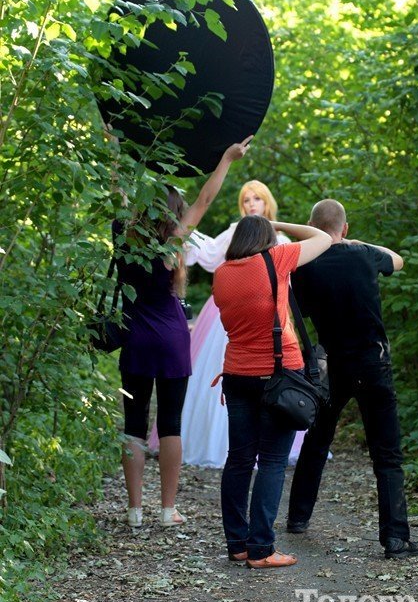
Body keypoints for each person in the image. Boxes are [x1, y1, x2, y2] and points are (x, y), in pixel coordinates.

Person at [114, 138, 251, 528]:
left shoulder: (123, 232)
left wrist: (115, 144)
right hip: (173, 338)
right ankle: (167, 510)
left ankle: (135, 510)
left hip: (135, 336)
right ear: (175, 213)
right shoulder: (175, 241)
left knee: (134, 422)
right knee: (170, 421)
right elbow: (205, 199)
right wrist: (225, 158)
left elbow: (119, 191)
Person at [286, 199, 418, 560]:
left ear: (311, 226)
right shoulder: (365, 255)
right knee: (387, 453)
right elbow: (397, 259)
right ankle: (395, 539)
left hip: (331, 366)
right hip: (372, 363)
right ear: (345, 229)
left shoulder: (303, 267)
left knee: (317, 440)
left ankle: (297, 519)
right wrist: (352, 243)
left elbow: (294, 310)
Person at [146, 180, 303, 467]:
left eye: (257, 199)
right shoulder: (234, 233)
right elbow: (206, 252)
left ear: (268, 202)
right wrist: (180, 228)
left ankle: (271, 441)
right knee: (223, 377)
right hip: (227, 317)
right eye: (246, 200)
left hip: (271, 320)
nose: (252, 204)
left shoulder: (283, 241)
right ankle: (219, 445)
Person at [212, 215, 331, 568]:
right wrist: (279, 222)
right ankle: (262, 549)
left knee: (239, 460)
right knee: (273, 461)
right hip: (279, 376)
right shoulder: (275, 258)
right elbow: (323, 237)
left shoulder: (222, 273)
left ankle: (238, 544)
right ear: (267, 238)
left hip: (236, 374)